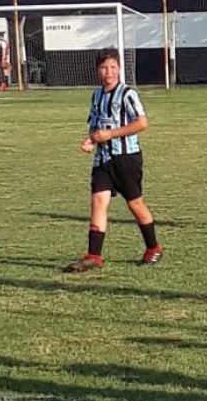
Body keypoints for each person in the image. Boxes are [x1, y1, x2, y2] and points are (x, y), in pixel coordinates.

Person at [65, 49, 162, 272]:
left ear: (119, 69)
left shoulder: (127, 94)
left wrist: (111, 134)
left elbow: (142, 123)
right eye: (103, 67)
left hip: (126, 158)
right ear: (98, 70)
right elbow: (96, 124)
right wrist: (91, 140)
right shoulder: (97, 95)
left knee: (134, 203)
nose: (108, 72)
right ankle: (93, 256)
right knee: (98, 201)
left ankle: (153, 247)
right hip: (103, 159)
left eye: (112, 67)